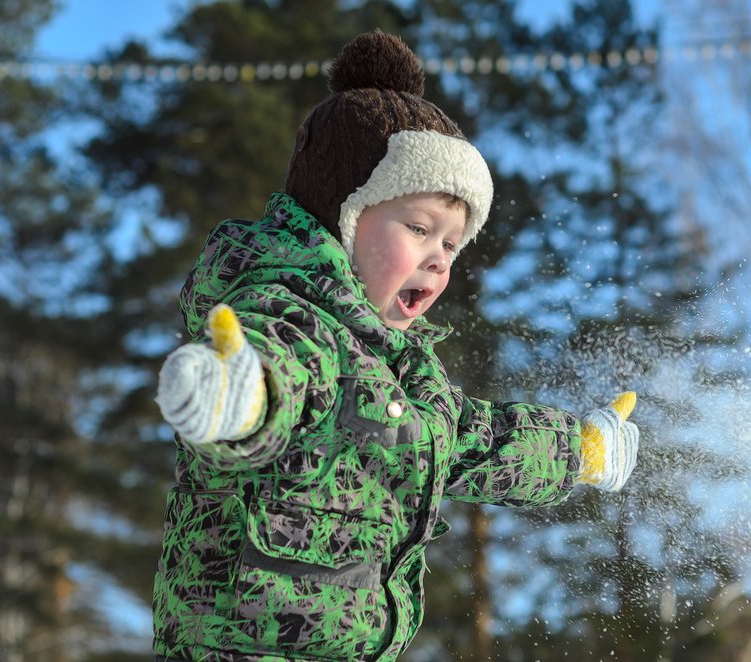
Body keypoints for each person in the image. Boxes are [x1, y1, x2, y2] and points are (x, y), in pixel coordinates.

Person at [151, 30, 640, 662]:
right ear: (342, 219)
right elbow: (280, 370)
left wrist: (578, 449)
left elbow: (471, 439)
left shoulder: (407, 377)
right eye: (418, 228)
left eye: (452, 244)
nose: (439, 260)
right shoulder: (296, 319)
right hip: (240, 645)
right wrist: (239, 393)